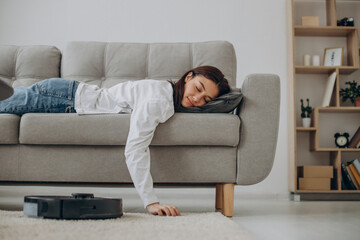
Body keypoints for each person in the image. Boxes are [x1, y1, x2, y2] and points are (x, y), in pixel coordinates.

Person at [0, 65, 231, 216]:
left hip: (66, 93)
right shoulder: (159, 101)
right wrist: (151, 201)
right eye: (197, 88)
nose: (196, 98)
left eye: (206, 99)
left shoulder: (166, 94)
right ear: (188, 76)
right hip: (62, 97)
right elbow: (135, 148)